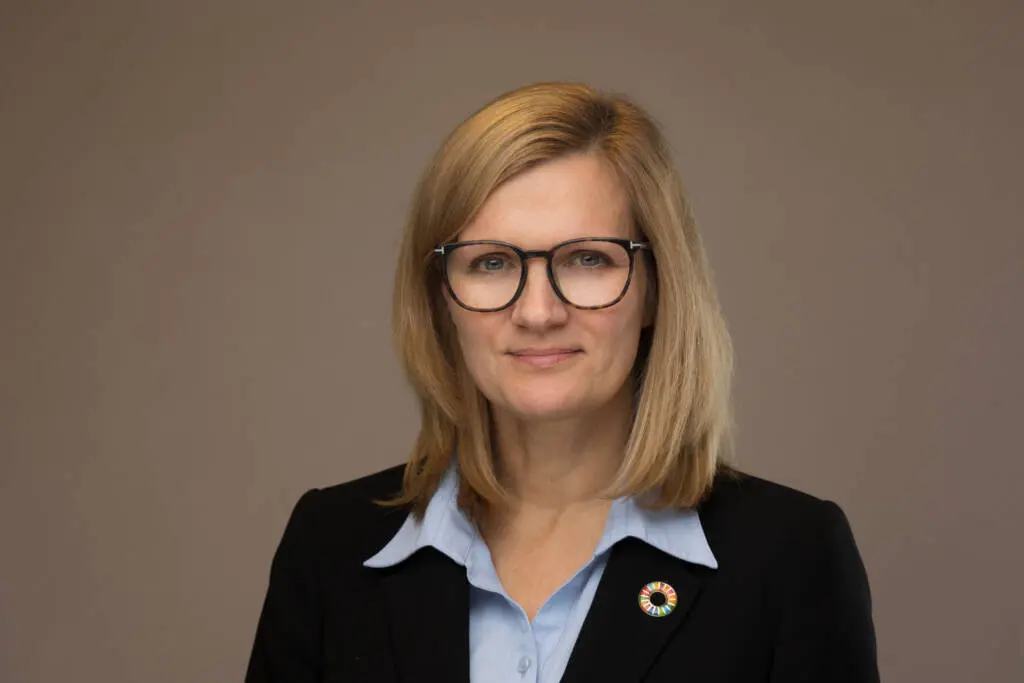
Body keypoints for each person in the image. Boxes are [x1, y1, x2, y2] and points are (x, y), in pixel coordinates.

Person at [245, 81, 880, 683]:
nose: (538, 312)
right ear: (440, 298)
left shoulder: (789, 558)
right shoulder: (329, 548)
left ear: (658, 288)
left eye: (586, 259)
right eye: (492, 262)